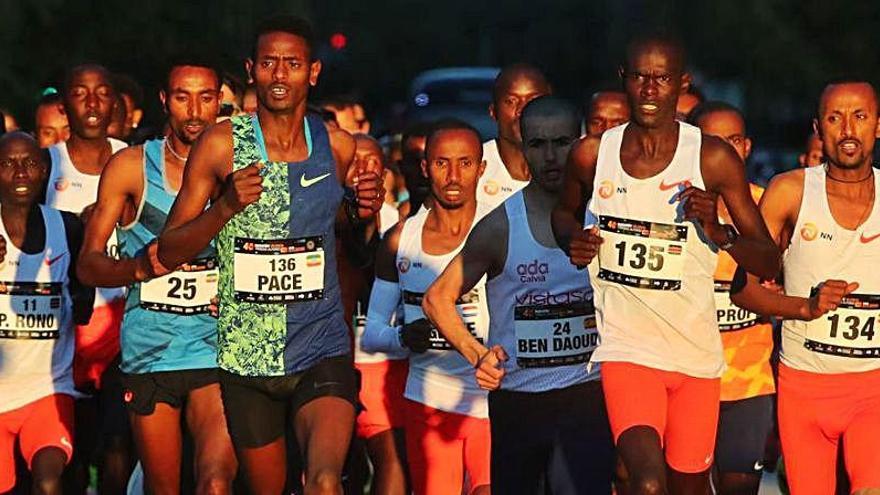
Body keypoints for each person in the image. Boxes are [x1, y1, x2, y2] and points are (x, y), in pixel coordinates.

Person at [156, 15, 384, 494]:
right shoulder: (221, 144)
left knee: (324, 481)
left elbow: (353, 244)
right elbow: (170, 249)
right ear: (252, 70)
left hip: (320, 347)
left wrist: (362, 213)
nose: (280, 75)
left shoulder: (338, 146)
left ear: (313, 72)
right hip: (247, 360)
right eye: (269, 63)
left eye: (293, 63)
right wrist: (226, 207)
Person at [553, 35, 780, 494]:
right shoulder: (593, 154)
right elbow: (563, 212)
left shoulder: (711, 157)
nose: (650, 89)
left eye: (662, 78)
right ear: (624, 79)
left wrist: (720, 233)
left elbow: (769, 257)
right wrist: (571, 240)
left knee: (687, 486)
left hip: (695, 358)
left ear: (682, 83)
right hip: (627, 351)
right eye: (640, 76)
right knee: (649, 482)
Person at [425, 96, 614, 493]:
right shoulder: (500, 226)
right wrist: (479, 356)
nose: (550, 157)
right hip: (519, 402)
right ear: (522, 147)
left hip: (586, 394)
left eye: (562, 143)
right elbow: (437, 298)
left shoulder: (605, 213)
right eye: (537, 145)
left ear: (579, 142)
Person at [77, 59, 238, 494]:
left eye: (206, 98)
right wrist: (138, 268)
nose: (194, 110)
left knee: (216, 483)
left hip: (217, 349)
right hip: (151, 351)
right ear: (165, 100)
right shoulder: (131, 167)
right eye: (182, 97)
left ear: (220, 102)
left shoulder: (238, 171)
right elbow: (88, 264)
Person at [731, 80, 880, 495]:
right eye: (835, 118)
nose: (847, 129)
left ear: (878, 126)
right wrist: (805, 308)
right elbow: (742, 289)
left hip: (874, 388)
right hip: (805, 388)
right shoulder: (790, 191)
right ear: (818, 127)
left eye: (860, 116)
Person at [363, 120, 492, 495]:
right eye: (441, 163)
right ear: (424, 167)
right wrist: (404, 337)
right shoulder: (401, 240)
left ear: (482, 168)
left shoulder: (501, 230)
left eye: (465, 163)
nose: (453, 176)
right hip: (428, 399)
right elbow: (374, 333)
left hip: (491, 402)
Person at [48, 63, 132, 495]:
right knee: (73, 454)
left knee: (118, 445)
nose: (93, 103)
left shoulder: (134, 161)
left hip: (122, 328)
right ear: (65, 107)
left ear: (115, 102)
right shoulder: (46, 166)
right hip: (64, 331)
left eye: (102, 92)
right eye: (81, 93)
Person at [0, 132, 93, 495]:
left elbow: (83, 306)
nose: (20, 172)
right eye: (8, 164)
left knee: (49, 482)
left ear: (44, 170)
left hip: (48, 392)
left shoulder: (67, 229)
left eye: (29, 163)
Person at [689, 101, 775, 495]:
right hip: (686, 379)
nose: (725, 150)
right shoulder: (672, 209)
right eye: (713, 141)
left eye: (735, 140)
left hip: (749, 384)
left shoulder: (768, 205)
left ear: (748, 147)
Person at [349, 133, 409, 495]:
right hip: (330, 362)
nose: (362, 170)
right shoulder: (318, 216)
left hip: (386, 365)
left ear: (385, 172)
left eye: (371, 161)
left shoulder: (402, 228)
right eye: (353, 161)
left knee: (391, 460)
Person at [478, 64, 551, 210]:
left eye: (532, 100)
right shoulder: (473, 167)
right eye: (511, 101)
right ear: (493, 111)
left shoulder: (570, 165)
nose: (522, 110)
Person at [397, 122, 432, 215]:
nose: (423, 171)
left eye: (430, 160)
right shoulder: (392, 224)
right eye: (414, 160)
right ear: (401, 166)